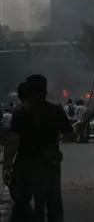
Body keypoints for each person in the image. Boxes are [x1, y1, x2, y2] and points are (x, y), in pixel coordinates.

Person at [4, 75, 86, 222]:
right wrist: (79, 129)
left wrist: (6, 167)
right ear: (45, 90)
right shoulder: (55, 111)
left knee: (21, 202)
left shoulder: (20, 114)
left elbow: (12, 141)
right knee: (53, 202)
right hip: (50, 163)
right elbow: (69, 137)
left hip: (26, 164)